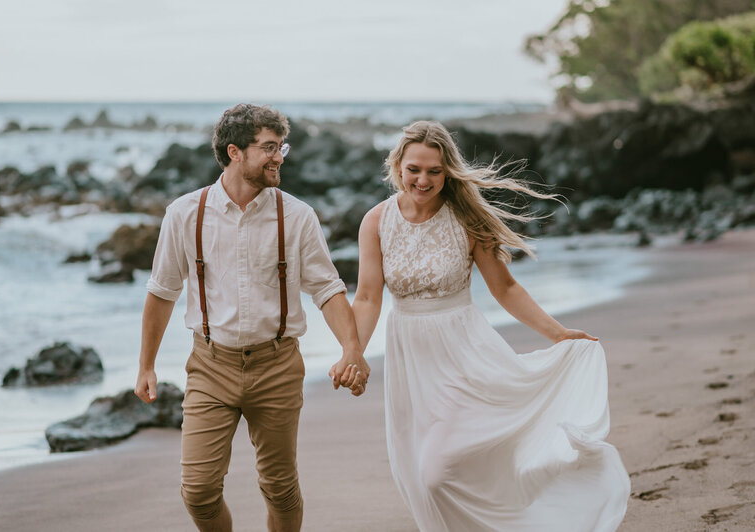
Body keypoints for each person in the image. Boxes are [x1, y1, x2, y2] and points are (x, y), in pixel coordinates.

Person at [351, 121, 630, 531]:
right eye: (414, 169)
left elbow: (504, 287)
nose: (423, 180)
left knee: (435, 473)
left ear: (448, 172)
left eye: (434, 171)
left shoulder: (466, 217)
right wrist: (352, 352)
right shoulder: (375, 222)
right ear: (397, 166)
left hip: (464, 354)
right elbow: (368, 297)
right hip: (410, 361)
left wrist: (558, 334)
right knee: (418, 475)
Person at [134, 103, 369, 532]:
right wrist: (146, 365)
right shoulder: (185, 214)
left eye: (282, 146)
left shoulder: (297, 216)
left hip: (277, 365)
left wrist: (352, 348)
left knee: (280, 487)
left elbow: (328, 288)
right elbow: (162, 291)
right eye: (268, 147)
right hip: (210, 366)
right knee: (198, 491)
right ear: (235, 152)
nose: (279, 156)